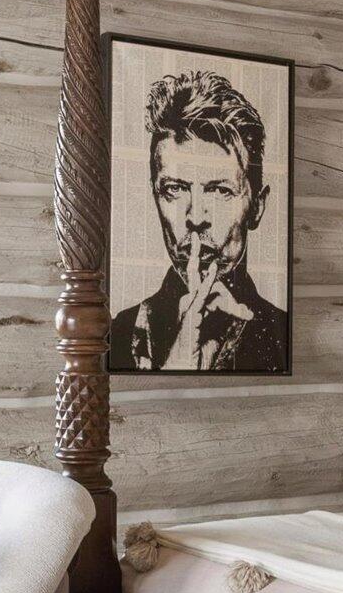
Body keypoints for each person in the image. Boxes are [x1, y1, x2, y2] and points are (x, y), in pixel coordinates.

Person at [111, 68, 287, 372]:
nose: (195, 218)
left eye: (219, 190)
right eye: (175, 189)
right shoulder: (117, 335)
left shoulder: (283, 335)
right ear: (155, 196)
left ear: (257, 206)